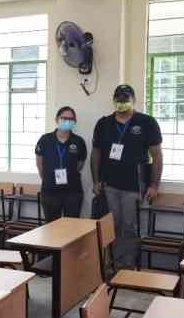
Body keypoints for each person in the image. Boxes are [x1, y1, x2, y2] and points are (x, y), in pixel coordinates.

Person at [91, 84, 163, 269]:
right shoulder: (104, 123)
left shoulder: (147, 122)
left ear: (134, 101)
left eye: (126, 100)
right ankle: (111, 264)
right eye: (119, 100)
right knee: (111, 225)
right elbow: (96, 153)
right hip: (109, 185)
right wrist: (96, 181)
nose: (122, 103)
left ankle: (127, 265)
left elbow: (157, 155)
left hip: (134, 186)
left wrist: (154, 185)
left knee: (130, 226)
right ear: (114, 101)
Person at [35, 106, 87, 222]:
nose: (68, 121)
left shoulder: (79, 141)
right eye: (64, 118)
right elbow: (39, 163)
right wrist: (48, 178)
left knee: (71, 227)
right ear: (57, 119)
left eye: (71, 119)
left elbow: (80, 164)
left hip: (73, 192)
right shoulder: (45, 140)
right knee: (51, 228)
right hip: (50, 192)